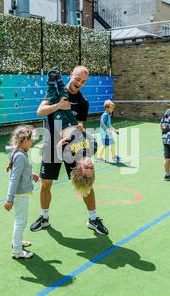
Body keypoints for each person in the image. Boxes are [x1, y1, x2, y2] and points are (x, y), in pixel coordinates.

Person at [31, 66, 109, 235]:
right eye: (77, 79)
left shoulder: (83, 101)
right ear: (71, 75)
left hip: (71, 145)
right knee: (46, 183)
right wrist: (59, 106)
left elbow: (79, 125)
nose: (79, 83)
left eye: (83, 81)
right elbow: (40, 111)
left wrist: (78, 135)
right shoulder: (55, 94)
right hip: (51, 144)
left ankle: (93, 219)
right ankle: (44, 218)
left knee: (86, 183)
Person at [4, 125, 40, 259]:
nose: (32, 143)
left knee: (21, 220)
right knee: (21, 221)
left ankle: (17, 242)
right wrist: (9, 199)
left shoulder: (20, 153)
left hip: (21, 194)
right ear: (24, 140)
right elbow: (14, 179)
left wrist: (32, 174)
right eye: (30, 140)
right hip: (20, 195)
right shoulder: (20, 156)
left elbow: (22, 171)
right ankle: (17, 250)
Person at [45, 66, 78, 131]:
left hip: (60, 122)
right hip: (70, 122)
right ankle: (59, 82)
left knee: (53, 98)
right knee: (64, 97)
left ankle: (51, 84)